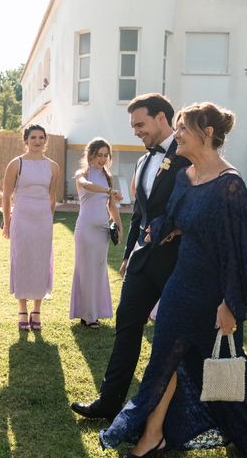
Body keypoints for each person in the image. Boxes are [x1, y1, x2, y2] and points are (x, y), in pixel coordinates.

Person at [101, 102, 247, 457]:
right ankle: (152, 437)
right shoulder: (186, 178)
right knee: (162, 362)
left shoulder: (231, 186)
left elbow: (238, 252)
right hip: (180, 287)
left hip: (214, 295)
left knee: (225, 369)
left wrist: (230, 305)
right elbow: (173, 217)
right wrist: (157, 230)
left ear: (208, 133)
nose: (177, 134)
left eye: (183, 128)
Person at [71, 93, 190, 420]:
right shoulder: (142, 161)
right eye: (133, 125)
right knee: (126, 326)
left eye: (140, 124)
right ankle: (109, 402)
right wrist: (128, 254)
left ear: (162, 119)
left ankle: (173, 412)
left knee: (176, 337)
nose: (136, 130)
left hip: (178, 263)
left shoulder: (187, 156)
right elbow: (140, 213)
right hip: (142, 261)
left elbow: (193, 208)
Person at [2, 124, 59, 331]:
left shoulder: (53, 166)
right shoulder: (16, 164)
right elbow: (6, 196)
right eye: (33, 137)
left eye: (41, 138)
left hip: (43, 220)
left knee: (41, 262)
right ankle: (22, 310)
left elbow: (52, 197)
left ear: (45, 140)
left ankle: (37, 310)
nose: (37, 141)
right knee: (22, 260)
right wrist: (7, 223)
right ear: (25, 140)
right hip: (21, 218)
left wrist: (48, 219)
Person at [69, 138, 123, 328]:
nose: (102, 159)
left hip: (102, 229)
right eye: (99, 155)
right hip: (85, 228)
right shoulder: (82, 174)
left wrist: (119, 225)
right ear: (90, 154)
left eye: (105, 155)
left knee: (98, 270)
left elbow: (111, 206)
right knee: (85, 270)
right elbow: (86, 185)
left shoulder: (108, 177)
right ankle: (86, 315)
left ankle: (95, 313)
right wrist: (109, 190)